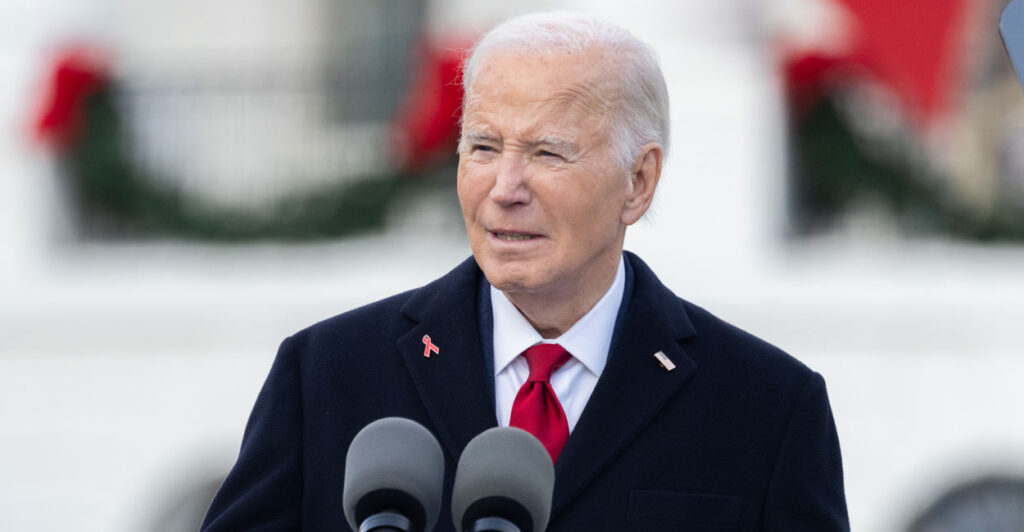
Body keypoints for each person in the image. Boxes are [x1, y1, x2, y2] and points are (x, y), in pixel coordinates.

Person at [201, 12, 849, 531]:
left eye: (547, 152)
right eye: (483, 147)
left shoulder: (766, 408)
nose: (505, 188)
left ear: (639, 181)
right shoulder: (328, 375)